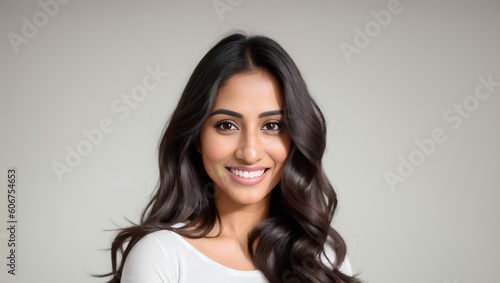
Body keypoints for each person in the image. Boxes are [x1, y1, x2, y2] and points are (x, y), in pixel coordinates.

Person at [102, 33, 361, 283]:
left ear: (295, 138)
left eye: (272, 126)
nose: (249, 153)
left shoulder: (323, 256)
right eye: (227, 125)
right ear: (197, 137)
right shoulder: (161, 255)